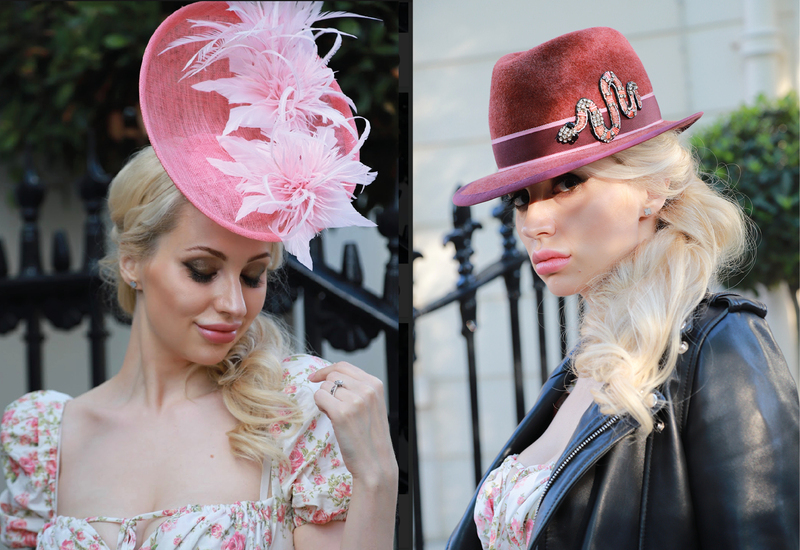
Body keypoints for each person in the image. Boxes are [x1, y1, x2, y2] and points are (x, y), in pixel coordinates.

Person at [0, 3, 397, 550]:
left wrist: (377, 480)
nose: (234, 303)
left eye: (254, 276)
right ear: (133, 260)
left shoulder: (295, 417)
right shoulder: (41, 439)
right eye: (202, 270)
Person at [446, 27, 799, 550]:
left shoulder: (720, 348)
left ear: (651, 189)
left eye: (568, 182)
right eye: (521, 197)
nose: (535, 220)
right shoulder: (584, 368)